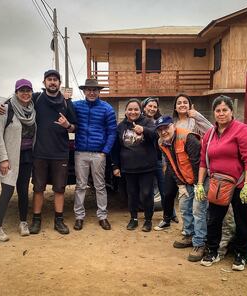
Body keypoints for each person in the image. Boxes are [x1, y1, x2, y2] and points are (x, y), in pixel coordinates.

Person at [0, 70, 78, 235]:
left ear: (59, 83)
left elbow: (75, 127)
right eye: (49, 79)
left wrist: (67, 125)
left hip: (60, 152)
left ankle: (59, 221)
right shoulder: (36, 98)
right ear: (44, 82)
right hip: (39, 152)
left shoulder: (67, 102)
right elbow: (18, 100)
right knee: (38, 188)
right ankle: (36, 220)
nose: (52, 82)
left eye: (55, 80)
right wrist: (0, 106)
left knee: (60, 189)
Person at [196, 95, 247, 271]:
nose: (221, 114)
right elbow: (202, 161)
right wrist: (200, 183)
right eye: (218, 110)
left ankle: (240, 255)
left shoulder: (242, 130)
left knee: (241, 220)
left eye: (225, 110)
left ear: (232, 111)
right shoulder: (210, 134)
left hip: (239, 184)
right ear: (214, 113)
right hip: (218, 184)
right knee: (214, 219)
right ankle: (212, 251)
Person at [155, 93, 212, 249]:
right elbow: (173, 165)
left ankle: (200, 242)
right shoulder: (163, 142)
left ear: (173, 126)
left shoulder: (188, 137)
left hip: (200, 179)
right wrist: (180, 184)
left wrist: (197, 184)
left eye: (166, 128)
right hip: (184, 179)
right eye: (160, 130)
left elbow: (197, 163)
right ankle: (188, 234)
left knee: (198, 210)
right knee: (185, 207)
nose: (163, 131)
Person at [0, 79, 36, 241]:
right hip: (10, 158)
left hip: (26, 156)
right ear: (16, 92)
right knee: (7, 191)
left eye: (28, 90)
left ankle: (23, 223)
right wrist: (3, 158)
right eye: (22, 90)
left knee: (23, 191)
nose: (25, 93)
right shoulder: (6, 109)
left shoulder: (32, 110)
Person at [72, 79, 117, 231]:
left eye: (95, 90)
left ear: (99, 92)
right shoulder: (76, 106)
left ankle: (102, 216)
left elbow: (112, 132)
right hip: (80, 153)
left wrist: (105, 151)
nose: (91, 92)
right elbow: (61, 109)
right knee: (80, 186)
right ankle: (79, 217)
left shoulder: (107, 108)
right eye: (88, 90)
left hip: (99, 153)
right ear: (84, 91)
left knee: (100, 186)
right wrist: (65, 98)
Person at [111, 99, 157, 232]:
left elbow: (156, 134)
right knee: (132, 194)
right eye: (130, 109)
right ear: (125, 111)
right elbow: (116, 148)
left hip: (147, 167)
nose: (133, 112)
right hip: (128, 168)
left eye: (136, 109)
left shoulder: (148, 122)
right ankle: (134, 219)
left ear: (140, 110)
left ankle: (148, 220)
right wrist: (115, 166)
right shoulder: (121, 126)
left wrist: (144, 130)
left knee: (147, 194)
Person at [142, 97, 178, 224]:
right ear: (144, 106)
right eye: (149, 106)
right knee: (149, 190)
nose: (152, 109)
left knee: (165, 189)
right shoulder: (139, 121)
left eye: (154, 107)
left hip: (159, 159)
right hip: (145, 161)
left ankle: (170, 214)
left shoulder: (160, 121)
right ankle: (149, 216)